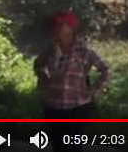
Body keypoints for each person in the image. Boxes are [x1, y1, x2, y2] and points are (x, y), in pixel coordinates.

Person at [34, 11, 110, 152]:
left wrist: (96, 89)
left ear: (72, 30)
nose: (59, 30)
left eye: (63, 27)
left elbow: (105, 70)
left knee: (74, 146)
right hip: (53, 106)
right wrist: (42, 77)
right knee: (58, 146)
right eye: (57, 28)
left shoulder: (84, 52)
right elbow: (38, 65)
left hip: (78, 107)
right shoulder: (50, 51)